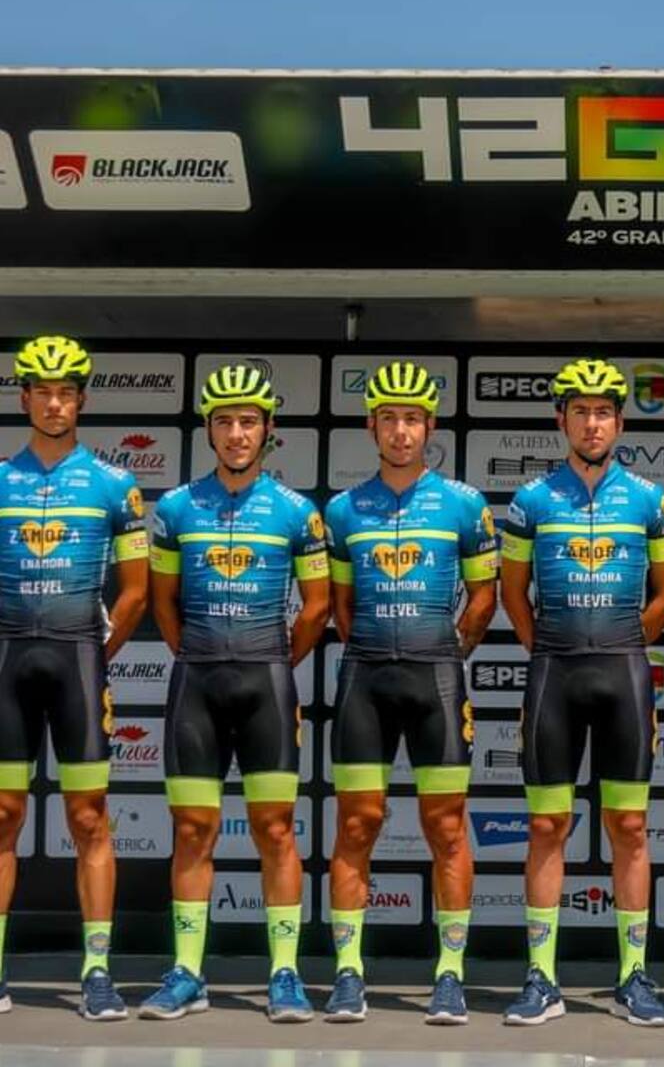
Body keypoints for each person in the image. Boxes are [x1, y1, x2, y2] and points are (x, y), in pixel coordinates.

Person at [140, 364, 329, 1022]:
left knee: (275, 830)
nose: (237, 433)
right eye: (224, 422)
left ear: (268, 430)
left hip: (265, 683)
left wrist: (275, 659)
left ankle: (284, 973)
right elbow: (162, 602)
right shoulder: (175, 508)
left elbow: (317, 607)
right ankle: (188, 972)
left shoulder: (297, 512)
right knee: (194, 829)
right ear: (209, 430)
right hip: (196, 681)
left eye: (248, 421)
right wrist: (197, 653)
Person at [499, 358, 664, 1026]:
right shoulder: (531, 500)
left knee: (628, 826)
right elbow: (512, 595)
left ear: (620, 423)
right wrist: (549, 646)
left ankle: (634, 974)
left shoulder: (649, 500)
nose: (593, 423)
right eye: (580, 411)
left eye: (604, 412)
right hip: (554, 673)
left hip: (623, 675)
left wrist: (623, 641)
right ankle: (541, 977)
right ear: (562, 420)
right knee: (547, 825)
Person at [323, 360, 497, 1024]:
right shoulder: (343, 510)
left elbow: (483, 596)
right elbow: (341, 607)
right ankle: (348, 973)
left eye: (413, 420)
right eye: (390, 419)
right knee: (356, 825)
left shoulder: (464, 504)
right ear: (372, 427)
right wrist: (377, 647)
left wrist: (448, 651)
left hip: (436, 679)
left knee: (446, 828)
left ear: (430, 428)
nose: (402, 432)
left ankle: (450, 974)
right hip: (365, 678)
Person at [0, 335, 148, 1020]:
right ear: (24, 398)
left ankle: (96, 971)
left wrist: (95, 651)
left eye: (65, 393)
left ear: (82, 400)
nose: (54, 404)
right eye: (42, 392)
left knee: (89, 818)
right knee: (3, 816)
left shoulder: (115, 485)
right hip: (9, 663)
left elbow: (136, 592)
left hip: (78, 663)